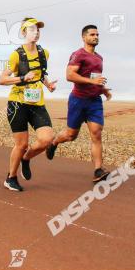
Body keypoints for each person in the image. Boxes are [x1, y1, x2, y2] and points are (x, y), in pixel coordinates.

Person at [0, 17, 58, 192]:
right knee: (21, 144)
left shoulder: (44, 53)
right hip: (17, 104)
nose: (36, 32)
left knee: (47, 139)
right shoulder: (16, 54)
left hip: (37, 103)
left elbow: (41, 74)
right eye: (32, 29)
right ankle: (11, 178)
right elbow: (2, 80)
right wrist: (23, 78)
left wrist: (48, 85)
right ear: (24, 32)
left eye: (38, 29)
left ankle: (27, 158)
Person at [46, 24, 113, 183]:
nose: (95, 37)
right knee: (71, 135)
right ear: (84, 37)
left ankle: (98, 170)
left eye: (97, 34)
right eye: (92, 34)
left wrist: (102, 89)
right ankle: (54, 142)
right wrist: (92, 81)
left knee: (96, 133)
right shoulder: (78, 54)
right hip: (78, 100)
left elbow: (95, 78)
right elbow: (70, 75)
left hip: (94, 101)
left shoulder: (99, 58)